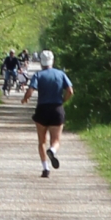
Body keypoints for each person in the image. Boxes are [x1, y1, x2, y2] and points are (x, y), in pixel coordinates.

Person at [20, 49, 73, 177]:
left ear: (41, 63)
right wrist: (62, 100)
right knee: (56, 140)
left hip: (42, 110)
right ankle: (53, 151)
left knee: (41, 141)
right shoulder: (61, 74)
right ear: (52, 61)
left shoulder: (38, 75)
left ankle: (45, 169)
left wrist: (25, 99)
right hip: (57, 109)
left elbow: (31, 91)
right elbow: (70, 91)